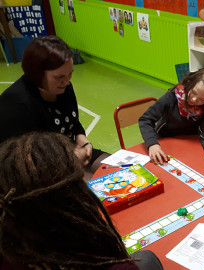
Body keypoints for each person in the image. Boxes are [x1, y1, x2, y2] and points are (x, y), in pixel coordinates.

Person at [0, 132, 164, 270]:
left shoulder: (11, 248)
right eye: (80, 179)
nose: (86, 182)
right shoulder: (99, 255)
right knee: (146, 259)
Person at [0, 35, 108, 178]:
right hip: (42, 172)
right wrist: (73, 158)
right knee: (94, 194)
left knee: (126, 171)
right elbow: (27, 162)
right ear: (37, 74)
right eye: (59, 77)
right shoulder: (17, 105)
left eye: (70, 74)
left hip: (73, 153)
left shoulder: (63, 88)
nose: (67, 81)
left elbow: (71, 122)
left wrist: (81, 137)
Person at [139, 68, 204, 165]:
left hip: (191, 144)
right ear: (190, 82)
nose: (194, 99)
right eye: (193, 92)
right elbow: (145, 120)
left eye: (201, 99)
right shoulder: (171, 97)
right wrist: (152, 144)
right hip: (164, 140)